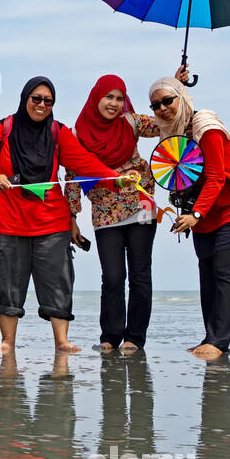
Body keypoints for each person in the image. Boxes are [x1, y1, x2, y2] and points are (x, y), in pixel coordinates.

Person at [0, 76, 138, 353]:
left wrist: (116, 179)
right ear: (25, 99)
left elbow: (85, 163)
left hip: (50, 222)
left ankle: (62, 342)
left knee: (59, 281)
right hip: (5, 221)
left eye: (48, 101)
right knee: (6, 284)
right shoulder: (2, 129)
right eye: (36, 99)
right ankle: (8, 342)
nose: (42, 104)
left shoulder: (59, 132)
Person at [150, 69, 230, 359]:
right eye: (156, 105)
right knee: (206, 276)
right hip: (202, 215)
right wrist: (174, 82)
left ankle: (219, 342)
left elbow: (216, 178)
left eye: (168, 101)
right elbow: (183, 175)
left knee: (225, 273)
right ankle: (210, 337)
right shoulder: (171, 130)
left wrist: (195, 215)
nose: (162, 109)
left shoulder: (205, 126)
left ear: (181, 99)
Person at [68, 74, 162, 352]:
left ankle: (134, 338)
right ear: (97, 97)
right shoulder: (78, 134)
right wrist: (72, 217)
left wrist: (177, 88)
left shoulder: (132, 121)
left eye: (120, 98)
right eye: (109, 97)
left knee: (140, 274)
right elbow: (72, 175)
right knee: (112, 276)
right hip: (105, 209)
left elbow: (167, 120)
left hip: (141, 204)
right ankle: (109, 337)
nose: (114, 103)